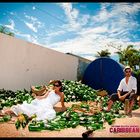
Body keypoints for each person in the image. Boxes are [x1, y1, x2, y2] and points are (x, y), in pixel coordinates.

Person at [1, 80, 67, 121]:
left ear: (60, 86)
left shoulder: (62, 95)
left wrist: (64, 108)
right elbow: (43, 97)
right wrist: (36, 97)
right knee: (29, 107)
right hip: (43, 102)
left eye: (57, 85)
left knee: (48, 113)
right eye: (54, 85)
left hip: (48, 105)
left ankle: (13, 113)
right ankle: (8, 111)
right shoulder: (50, 91)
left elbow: (62, 104)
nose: (55, 86)